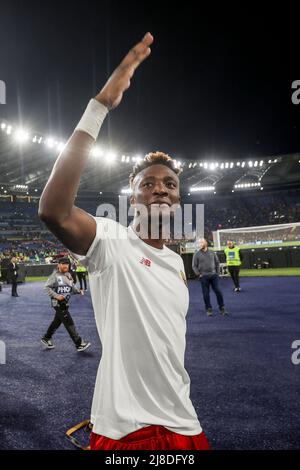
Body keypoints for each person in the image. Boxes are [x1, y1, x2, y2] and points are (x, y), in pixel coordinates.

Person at [38, 33, 210, 451]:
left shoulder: (175, 265)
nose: (161, 189)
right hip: (126, 432)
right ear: (132, 200)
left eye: (169, 184)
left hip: (185, 425)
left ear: (179, 198)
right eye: (148, 184)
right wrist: (99, 108)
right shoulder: (112, 240)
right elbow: (54, 210)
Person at [41, 257, 91, 352]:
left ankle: (46, 338)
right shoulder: (54, 275)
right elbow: (46, 288)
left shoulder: (68, 275)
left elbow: (71, 287)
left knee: (57, 321)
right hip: (58, 303)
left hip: (65, 302)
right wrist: (56, 295)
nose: (65, 265)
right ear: (58, 265)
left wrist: (78, 291)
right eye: (63, 264)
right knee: (69, 322)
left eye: (67, 264)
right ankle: (79, 343)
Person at [192, 238, 228, 316]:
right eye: (199, 243)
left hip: (214, 276)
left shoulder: (212, 252)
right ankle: (208, 309)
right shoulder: (196, 254)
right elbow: (194, 266)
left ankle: (222, 308)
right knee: (206, 294)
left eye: (201, 242)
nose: (200, 244)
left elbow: (217, 263)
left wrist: (217, 273)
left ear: (206, 243)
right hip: (203, 277)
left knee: (218, 291)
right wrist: (199, 274)